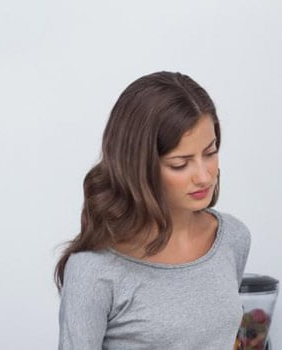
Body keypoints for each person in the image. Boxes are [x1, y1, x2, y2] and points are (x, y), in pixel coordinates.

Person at [55, 71, 251, 349]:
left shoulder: (233, 237)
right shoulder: (93, 270)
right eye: (180, 164)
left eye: (210, 152)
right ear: (138, 167)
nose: (204, 176)